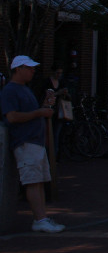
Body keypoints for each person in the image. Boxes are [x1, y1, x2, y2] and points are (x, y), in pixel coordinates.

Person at [0, 56, 63, 232]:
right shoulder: (10, 90)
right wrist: (39, 113)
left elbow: (32, 112)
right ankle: (39, 219)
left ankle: (42, 217)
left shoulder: (24, 89)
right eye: (29, 68)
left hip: (35, 141)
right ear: (18, 69)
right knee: (33, 181)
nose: (33, 71)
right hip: (25, 141)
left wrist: (45, 106)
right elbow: (12, 116)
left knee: (39, 180)